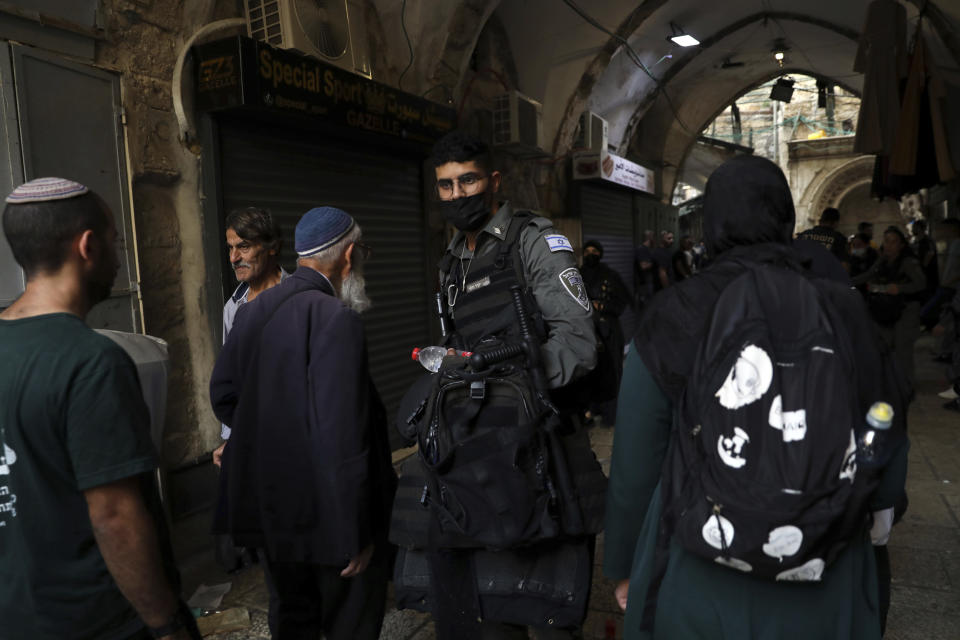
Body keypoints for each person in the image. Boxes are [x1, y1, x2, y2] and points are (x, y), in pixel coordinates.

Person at [603, 157, 907, 639]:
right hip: (827, 561)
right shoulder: (844, 306)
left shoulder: (674, 312)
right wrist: (881, 502)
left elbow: (638, 458)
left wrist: (622, 561)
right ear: (787, 218)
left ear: (712, 224)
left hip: (698, 564)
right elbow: (884, 419)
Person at [398, 130, 597, 639]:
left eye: (468, 180)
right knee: (489, 612)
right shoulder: (451, 261)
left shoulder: (533, 241)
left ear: (493, 181)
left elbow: (577, 343)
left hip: (540, 452)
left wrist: (507, 387)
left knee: (548, 610)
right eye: (445, 186)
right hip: (480, 457)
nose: (457, 194)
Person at [0, 178, 199, 640]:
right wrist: (167, 624)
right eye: (115, 240)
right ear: (87, 246)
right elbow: (115, 517)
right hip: (95, 624)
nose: (118, 254)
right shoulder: (92, 360)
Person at [209, 206, 396, 639]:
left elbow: (223, 395)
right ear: (349, 257)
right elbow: (343, 436)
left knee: (293, 617)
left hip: (274, 508)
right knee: (351, 619)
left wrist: (275, 435)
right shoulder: (337, 318)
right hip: (330, 516)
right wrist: (355, 530)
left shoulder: (253, 310)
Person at [213, 207, 289, 467]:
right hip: (254, 436)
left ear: (272, 247)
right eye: (230, 248)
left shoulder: (300, 298)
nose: (234, 258)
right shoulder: (233, 308)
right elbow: (231, 378)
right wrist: (231, 439)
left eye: (243, 247)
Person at [852, 226, 926, 389]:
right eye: (887, 241)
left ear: (901, 245)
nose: (889, 245)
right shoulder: (883, 260)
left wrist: (900, 288)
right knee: (882, 347)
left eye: (894, 242)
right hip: (886, 311)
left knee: (903, 351)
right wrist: (844, 281)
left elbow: (921, 283)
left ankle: (905, 387)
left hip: (906, 311)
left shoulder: (908, 262)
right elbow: (867, 276)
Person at [580, 239, 632, 425]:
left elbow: (623, 299)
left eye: (594, 251)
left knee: (611, 372)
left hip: (609, 331)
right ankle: (590, 411)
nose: (590, 254)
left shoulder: (610, 275)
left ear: (600, 254)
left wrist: (604, 306)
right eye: (587, 251)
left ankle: (611, 414)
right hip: (587, 331)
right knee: (589, 373)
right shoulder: (577, 275)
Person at [912, 219, 940, 328]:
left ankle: (931, 323)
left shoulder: (927, 241)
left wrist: (922, 267)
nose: (913, 229)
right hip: (923, 276)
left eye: (915, 227)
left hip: (929, 276)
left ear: (919, 228)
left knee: (930, 299)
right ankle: (926, 322)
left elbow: (930, 253)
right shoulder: (918, 241)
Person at [634, 230, 656, 311]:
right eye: (653, 237)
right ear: (649, 238)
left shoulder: (648, 250)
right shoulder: (642, 249)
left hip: (647, 285)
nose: (654, 239)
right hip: (644, 285)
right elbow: (643, 266)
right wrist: (654, 263)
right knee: (646, 310)